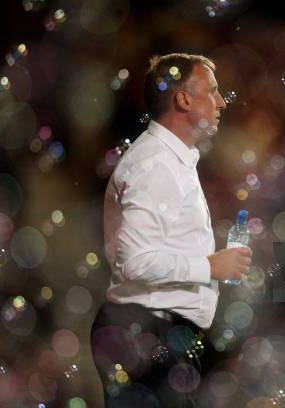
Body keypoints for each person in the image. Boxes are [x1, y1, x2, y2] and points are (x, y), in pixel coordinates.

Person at [91, 53, 253, 407]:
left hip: (158, 333)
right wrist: (210, 266)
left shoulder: (170, 160)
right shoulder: (156, 164)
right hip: (148, 334)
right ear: (183, 99)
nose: (222, 101)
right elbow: (135, 261)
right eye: (212, 91)